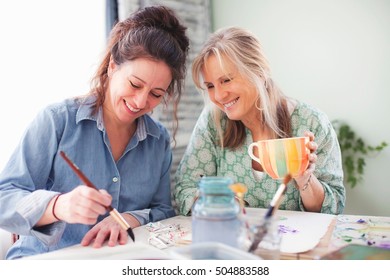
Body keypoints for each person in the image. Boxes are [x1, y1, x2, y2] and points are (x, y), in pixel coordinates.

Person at [0, 5, 189, 259]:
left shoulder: (158, 140)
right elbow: (5, 198)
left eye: (156, 94)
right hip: (44, 264)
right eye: (135, 84)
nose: (141, 101)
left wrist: (127, 219)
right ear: (113, 66)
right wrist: (58, 206)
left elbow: (163, 211)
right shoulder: (58, 121)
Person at [174, 27, 345, 216]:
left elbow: (334, 207)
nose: (219, 95)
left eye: (227, 80)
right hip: (233, 238)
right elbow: (185, 190)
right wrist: (220, 203)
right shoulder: (213, 121)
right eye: (211, 86)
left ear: (260, 72)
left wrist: (305, 180)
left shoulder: (312, 123)